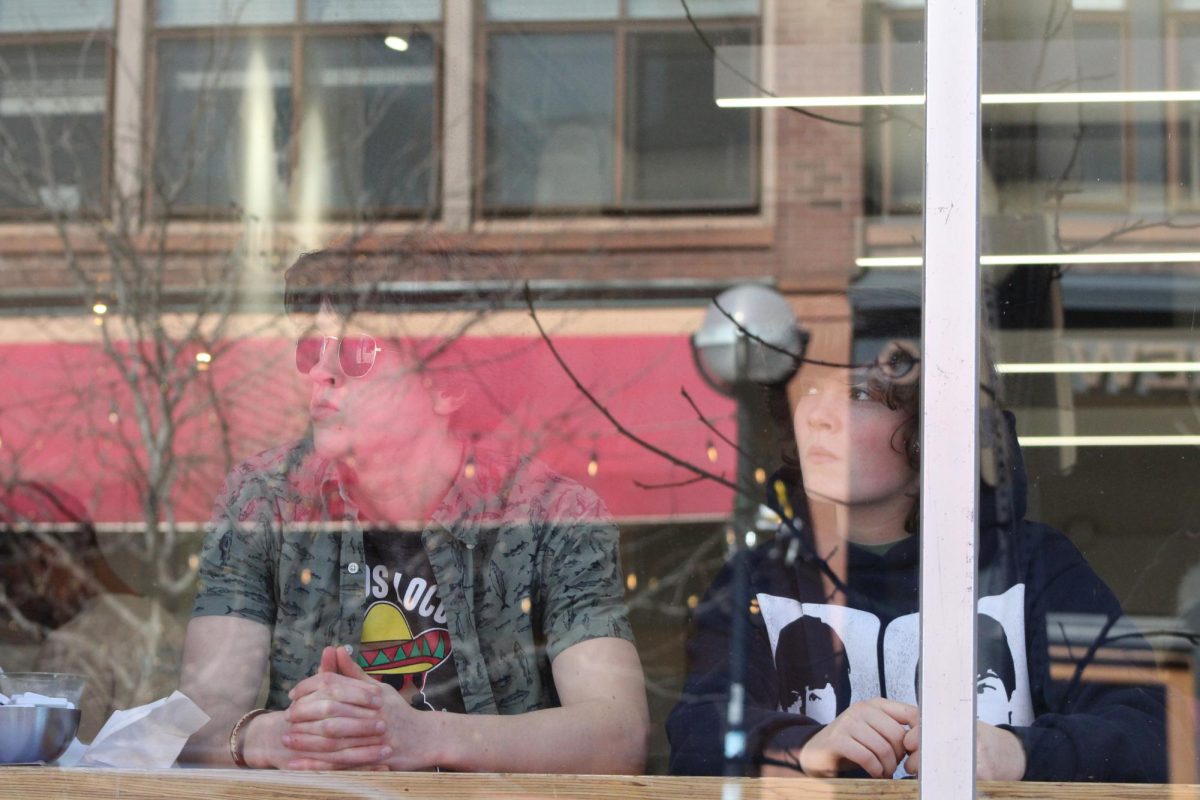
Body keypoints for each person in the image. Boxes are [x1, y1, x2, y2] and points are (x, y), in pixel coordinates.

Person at [179, 248, 649, 773]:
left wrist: (422, 735)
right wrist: (272, 736)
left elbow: (617, 734)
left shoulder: (553, 514)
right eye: (313, 349)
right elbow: (194, 720)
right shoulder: (264, 499)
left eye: (357, 352)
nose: (321, 372)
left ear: (447, 385)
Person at [666, 303, 1166, 782]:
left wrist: (1017, 753)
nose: (817, 415)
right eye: (808, 391)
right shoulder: (759, 578)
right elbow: (696, 735)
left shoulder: (1032, 567)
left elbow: (1154, 732)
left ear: (936, 424)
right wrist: (801, 749)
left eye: (859, 394)